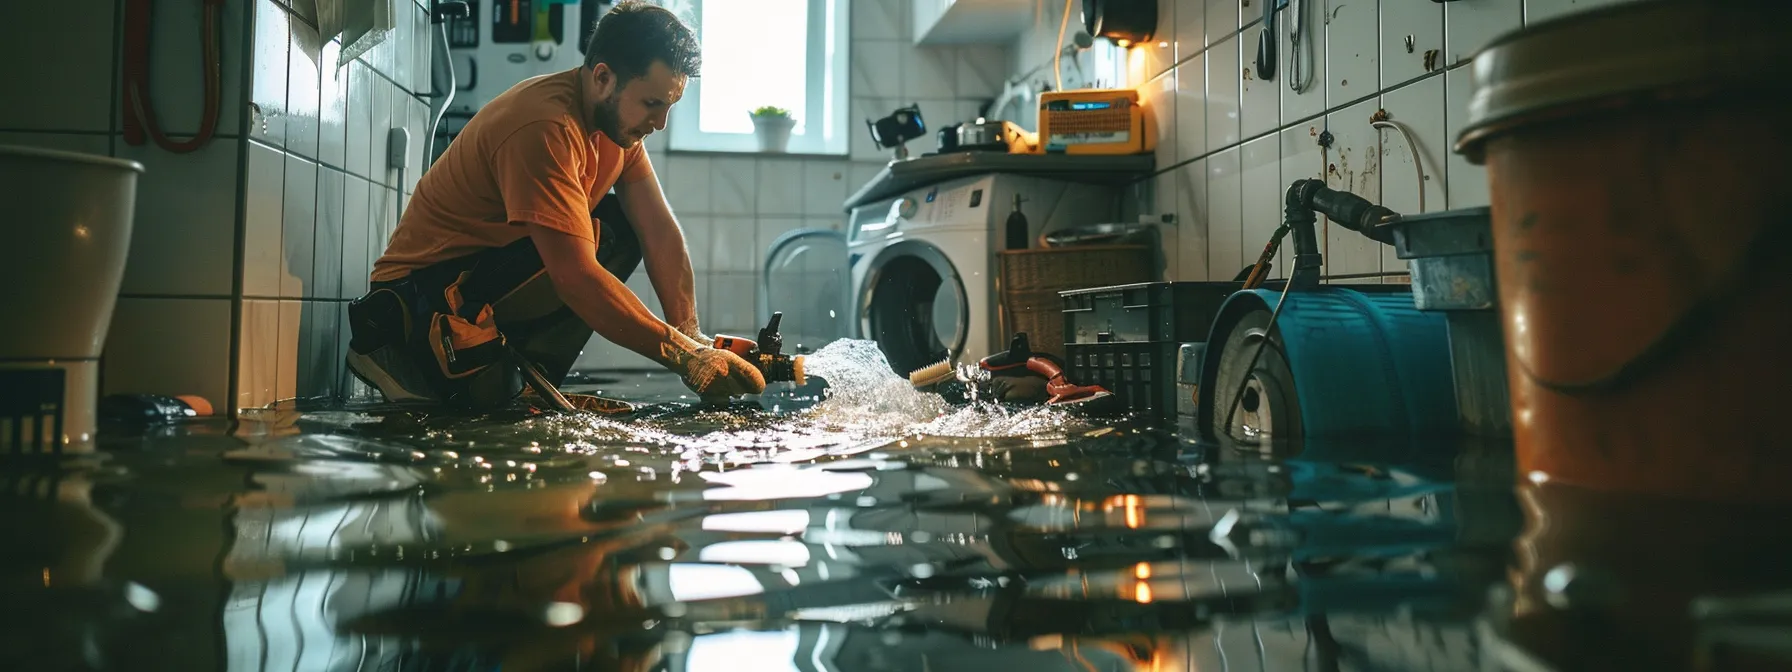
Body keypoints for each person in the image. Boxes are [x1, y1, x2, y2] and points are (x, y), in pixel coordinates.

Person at [343, 1, 765, 409]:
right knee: (584, 252)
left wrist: (691, 335)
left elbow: (658, 231)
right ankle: (409, 356)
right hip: (416, 297)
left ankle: (516, 382)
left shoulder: (618, 129)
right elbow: (575, 277)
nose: (660, 123)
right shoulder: (545, 126)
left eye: (669, 107)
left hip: (480, 277)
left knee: (616, 229)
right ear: (603, 77)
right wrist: (683, 357)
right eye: (652, 104)